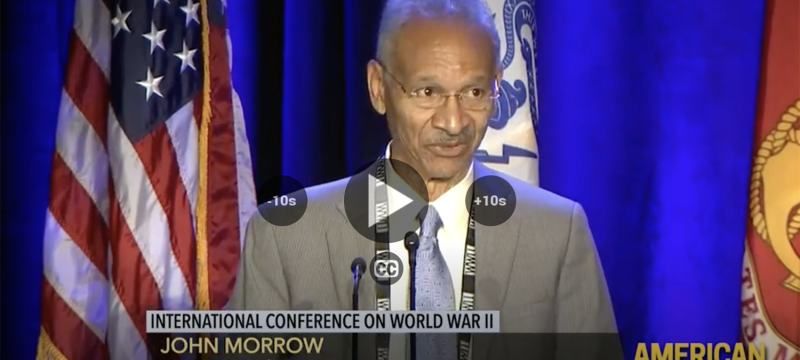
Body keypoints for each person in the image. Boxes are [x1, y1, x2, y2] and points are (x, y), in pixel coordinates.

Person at [225, 0, 618, 359]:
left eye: (474, 92)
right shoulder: (285, 238)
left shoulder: (558, 235)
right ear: (378, 88)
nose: (454, 123)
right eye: (428, 91)